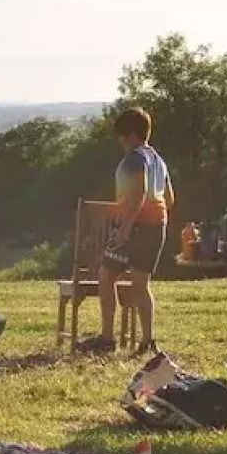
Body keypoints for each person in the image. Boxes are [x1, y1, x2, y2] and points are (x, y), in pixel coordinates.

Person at [78, 106, 173, 355]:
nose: (120, 142)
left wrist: (126, 227)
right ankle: (147, 340)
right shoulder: (159, 160)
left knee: (106, 275)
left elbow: (139, 193)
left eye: (121, 136)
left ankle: (107, 338)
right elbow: (170, 198)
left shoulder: (135, 158)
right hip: (157, 225)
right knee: (142, 284)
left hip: (135, 227)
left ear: (131, 134)